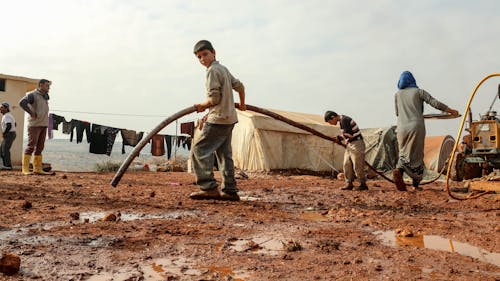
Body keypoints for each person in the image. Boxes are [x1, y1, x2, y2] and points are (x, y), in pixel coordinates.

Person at [189, 40, 246, 201]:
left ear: (214, 53)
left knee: (199, 150)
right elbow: (240, 86)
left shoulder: (212, 71)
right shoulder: (223, 69)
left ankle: (208, 188)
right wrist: (241, 105)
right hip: (230, 119)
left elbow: (214, 99)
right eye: (199, 57)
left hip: (218, 119)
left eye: (205, 54)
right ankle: (230, 190)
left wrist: (201, 105)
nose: (202, 59)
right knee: (224, 154)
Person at [393, 71, 459, 191]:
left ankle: (399, 170)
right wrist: (451, 111)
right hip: (416, 126)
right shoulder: (419, 92)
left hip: (401, 128)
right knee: (417, 155)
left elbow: (397, 113)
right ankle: (415, 185)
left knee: (403, 153)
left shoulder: (397, 95)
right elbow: (435, 103)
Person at [324, 111, 368, 191]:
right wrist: (340, 138)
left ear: (333, 117)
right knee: (346, 164)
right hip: (350, 144)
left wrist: (339, 137)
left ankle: (363, 184)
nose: (331, 124)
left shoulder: (344, 120)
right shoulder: (342, 121)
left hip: (357, 143)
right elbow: (347, 135)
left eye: (330, 122)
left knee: (357, 164)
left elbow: (349, 135)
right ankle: (349, 183)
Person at [19, 79, 53, 175]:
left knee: (40, 147)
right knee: (31, 146)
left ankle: (37, 168)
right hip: (34, 125)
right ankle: (25, 169)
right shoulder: (33, 95)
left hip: (43, 124)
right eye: (47, 86)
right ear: (41, 85)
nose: (49, 88)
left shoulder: (45, 96)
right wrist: (31, 112)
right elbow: (22, 102)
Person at [0, 102, 16, 170]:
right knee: (2, 149)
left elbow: (9, 125)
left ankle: (8, 166)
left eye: (2, 108)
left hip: (9, 134)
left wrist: (4, 133)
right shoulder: (8, 115)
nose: (0, 109)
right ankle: (5, 165)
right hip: (11, 133)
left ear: (6, 108)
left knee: (5, 150)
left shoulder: (6, 116)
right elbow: (15, 124)